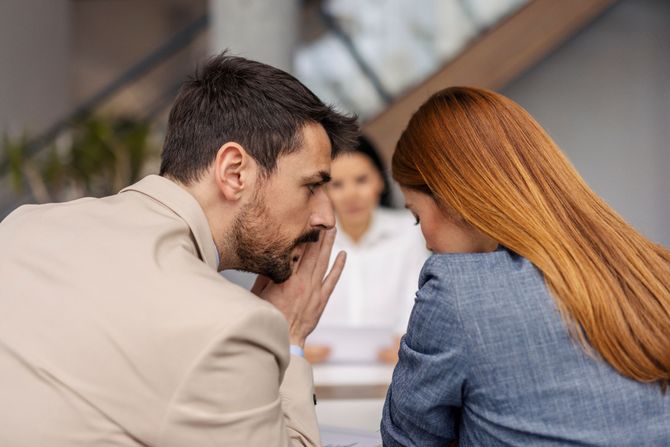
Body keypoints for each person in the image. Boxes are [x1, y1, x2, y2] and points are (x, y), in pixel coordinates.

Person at [0, 53, 358, 446]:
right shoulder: (228, 327)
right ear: (234, 171)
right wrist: (289, 338)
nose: (326, 216)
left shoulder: (22, 227)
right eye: (312, 186)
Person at [381, 86, 670, 446]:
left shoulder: (457, 291)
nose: (424, 239)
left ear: (452, 197)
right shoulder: (654, 270)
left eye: (416, 216)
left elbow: (406, 441)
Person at [306, 136, 427, 364]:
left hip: (395, 367)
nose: (351, 194)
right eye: (337, 185)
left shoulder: (410, 232)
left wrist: (410, 342)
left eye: (361, 180)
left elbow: (418, 300)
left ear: (380, 181)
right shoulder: (309, 240)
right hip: (320, 369)